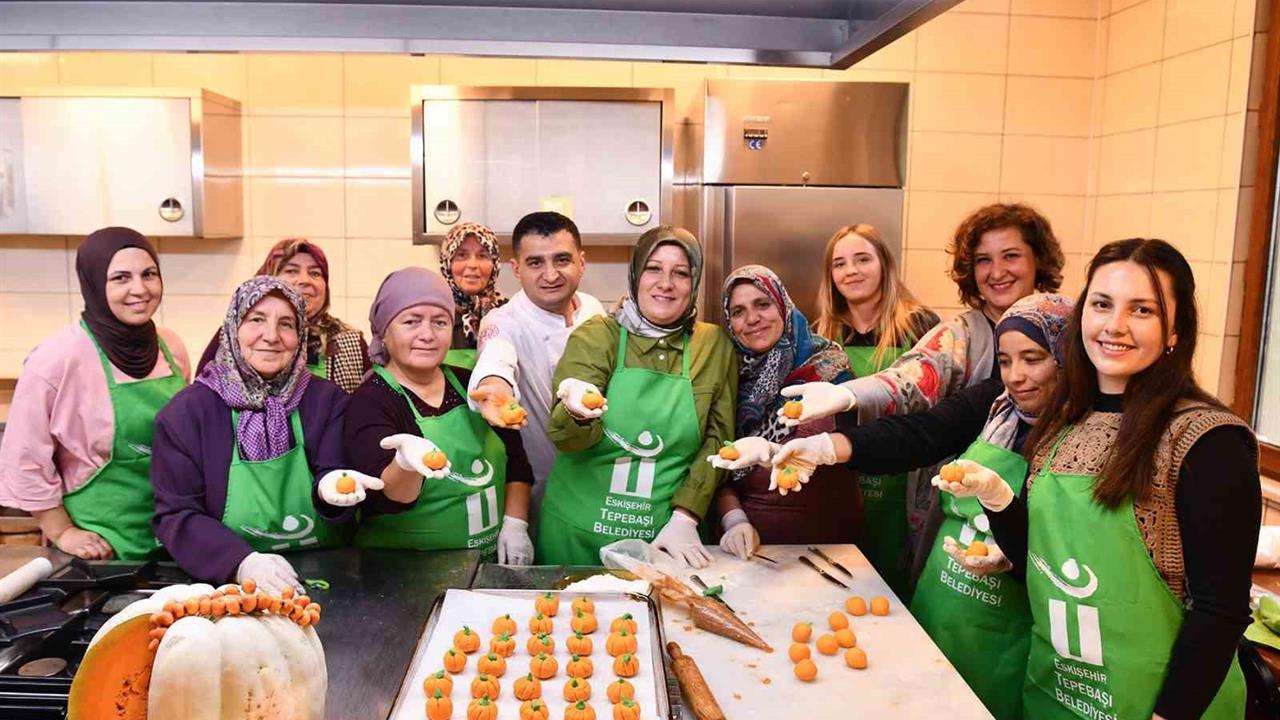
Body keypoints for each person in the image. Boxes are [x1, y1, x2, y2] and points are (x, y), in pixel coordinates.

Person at [941, 239, 1258, 719]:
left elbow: (1220, 611)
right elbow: (1043, 564)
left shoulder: (1207, 441)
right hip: (1057, 696)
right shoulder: (1063, 423)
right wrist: (1000, 499)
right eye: (1102, 304)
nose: (1115, 326)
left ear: (1176, 329)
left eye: (1143, 310)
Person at [774, 292, 1073, 720]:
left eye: (1034, 358)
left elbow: (1066, 556)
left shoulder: (1084, 438)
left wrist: (1011, 545)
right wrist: (826, 445)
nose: (1017, 376)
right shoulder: (995, 405)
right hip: (942, 604)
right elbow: (921, 433)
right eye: (1006, 362)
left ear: (1067, 359)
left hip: (1009, 634)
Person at [781, 203, 1066, 590]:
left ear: (1038, 260)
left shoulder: (1071, 332)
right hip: (948, 501)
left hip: (1049, 516)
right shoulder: (960, 334)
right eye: (983, 260)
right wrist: (843, 401)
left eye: (1011, 256)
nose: (997, 272)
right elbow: (916, 385)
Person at [536, 226, 736, 568]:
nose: (666, 283)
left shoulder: (713, 345)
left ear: (695, 283)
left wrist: (686, 516)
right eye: (653, 268)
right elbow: (565, 439)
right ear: (635, 274)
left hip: (664, 541)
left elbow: (719, 441)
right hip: (575, 537)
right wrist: (577, 412)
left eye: (681, 273)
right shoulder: (598, 335)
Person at [152, 278, 362, 592]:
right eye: (257, 320)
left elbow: (336, 484)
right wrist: (242, 562)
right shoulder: (187, 414)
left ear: (301, 334)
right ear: (233, 328)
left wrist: (334, 495)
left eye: (286, 324)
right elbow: (177, 514)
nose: (271, 336)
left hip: (329, 578)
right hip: (226, 584)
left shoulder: (326, 401)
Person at [0, 227, 190, 560]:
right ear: (93, 283)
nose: (139, 289)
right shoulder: (57, 359)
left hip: (173, 534)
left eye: (149, 274)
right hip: (98, 546)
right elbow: (24, 458)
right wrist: (62, 531)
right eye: (120, 278)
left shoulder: (170, 347)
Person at [344, 267, 534, 560]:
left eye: (440, 322)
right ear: (385, 331)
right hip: (406, 576)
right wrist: (405, 463)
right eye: (411, 321)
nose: (427, 335)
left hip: (485, 566)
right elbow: (391, 497)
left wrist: (515, 524)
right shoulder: (371, 401)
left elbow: (518, 463)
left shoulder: (471, 383)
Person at [812, 223, 940, 595]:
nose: (851, 271)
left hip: (904, 489)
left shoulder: (922, 327)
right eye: (840, 264)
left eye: (862, 259)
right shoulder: (822, 334)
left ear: (884, 264)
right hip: (839, 482)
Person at [466, 212, 606, 533]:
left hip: (598, 482)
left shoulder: (594, 310)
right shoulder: (503, 322)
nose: (551, 274)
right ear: (516, 269)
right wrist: (493, 389)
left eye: (562, 260)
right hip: (537, 490)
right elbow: (496, 359)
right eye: (535, 263)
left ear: (581, 264)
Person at [706, 265, 856, 557]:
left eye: (763, 304)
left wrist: (776, 453)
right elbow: (717, 463)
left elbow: (855, 449)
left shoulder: (828, 366)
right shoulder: (726, 375)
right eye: (738, 311)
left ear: (783, 305)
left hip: (827, 544)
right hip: (748, 546)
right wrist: (734, 520)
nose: (752, 319)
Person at [197, 238, 371, 393]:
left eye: (315, 273)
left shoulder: (351, 341)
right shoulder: (234, 337)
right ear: (267, 280)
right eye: (291, 271)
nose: (305, 280)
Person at [440, 222, 507, 370]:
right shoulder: (435, 313)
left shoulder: (509, 313)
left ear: (494, 263)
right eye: (462, 255)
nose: (472, 264)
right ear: (447, 262)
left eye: (482, 255)